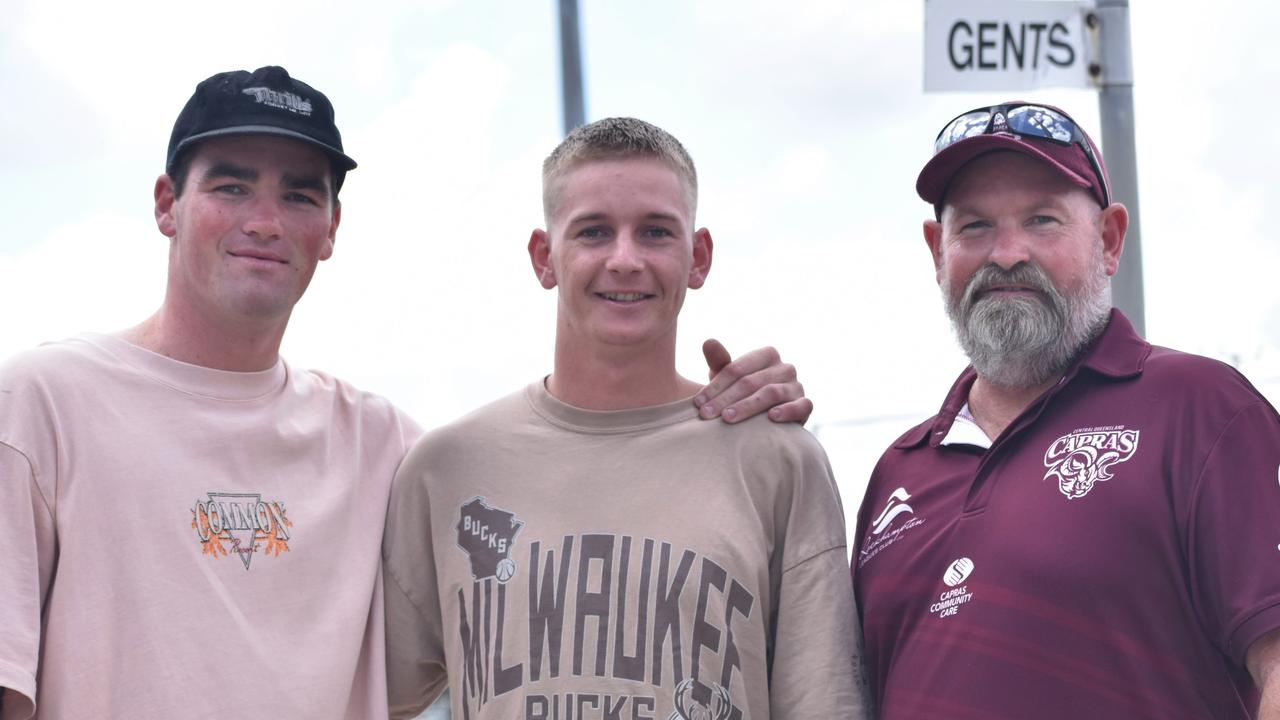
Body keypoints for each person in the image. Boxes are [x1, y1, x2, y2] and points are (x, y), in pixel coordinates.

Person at [0, 68, 811, 720]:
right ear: (167, 205)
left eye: (299, 194)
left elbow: (572, 477)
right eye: (232, 186)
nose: (265, 220)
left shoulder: (387, 448)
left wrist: (733, 414)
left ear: (331, 229)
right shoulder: (42, 407)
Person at [382, 117, 871, 720]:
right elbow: (352, 692)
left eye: (655, 232)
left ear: (699, 257)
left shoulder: (776, 460)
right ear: (544, 257)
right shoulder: (444, 469)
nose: (624, 259)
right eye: (592, 232)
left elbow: (823, 699)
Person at [852, 102, 1280, 719]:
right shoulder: (899, 472)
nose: (1006, 253)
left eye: (1042, 220)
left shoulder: (1202, 412)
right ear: (936, 251)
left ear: (1109, 240)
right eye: (973, 226)